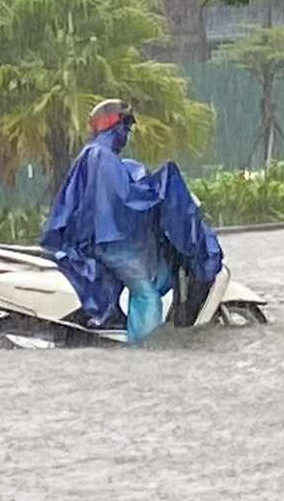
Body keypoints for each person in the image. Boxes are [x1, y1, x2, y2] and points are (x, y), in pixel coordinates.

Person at [40, 99, 223, 344]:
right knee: (146, 294)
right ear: (115, 127)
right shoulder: (101, 157)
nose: (126, 136)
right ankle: (145, 347)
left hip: (108, 241)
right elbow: (124, 200)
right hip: (114, 243)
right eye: (125, 129)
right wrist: (160, 190)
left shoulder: (96, 155)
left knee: (157, 277)